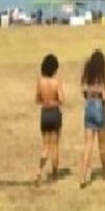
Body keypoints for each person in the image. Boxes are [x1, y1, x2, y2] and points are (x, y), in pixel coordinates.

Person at [79, 49, 105, 187]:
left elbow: (83, 91)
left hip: (88, 107)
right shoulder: (101, 76)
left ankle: (82, 176)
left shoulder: (88, 75)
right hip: (99, 107)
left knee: (88, 145)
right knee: (102, 145)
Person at [35, 53, 64, 186]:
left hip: (45, 113)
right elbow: (62, 99)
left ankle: (39, 171)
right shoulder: (56, 82)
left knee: (45, 146)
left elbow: (37, 99)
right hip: (54, 112)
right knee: (55, 146)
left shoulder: (40, 82)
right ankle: (54, 173)